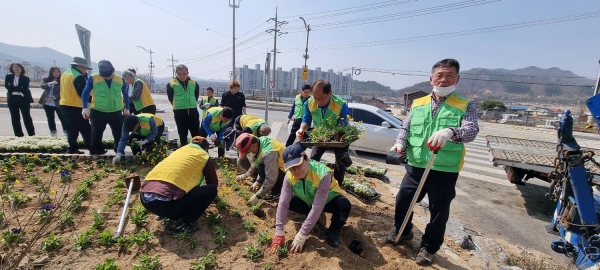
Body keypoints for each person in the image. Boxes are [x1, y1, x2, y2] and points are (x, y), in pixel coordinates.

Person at [386, 59, 479, 266]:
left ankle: (428, 247)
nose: (444, 79)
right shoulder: (417, 104)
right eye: (439, 75)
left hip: (444, 169)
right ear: (431, 79)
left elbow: (471, 130)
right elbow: (405, 129)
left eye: (449, 75)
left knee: (438, 212)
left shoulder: (466, 104)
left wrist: (451, 132)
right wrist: (399, 144)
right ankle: (404, 231)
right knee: (403, 201)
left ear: (457, 78)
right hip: (416, 165)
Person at [269, 143, 352, 253]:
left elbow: (318, 206)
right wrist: (279, 231)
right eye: (292, 168)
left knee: (344, 205)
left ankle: (333, 231)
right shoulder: (289, 176)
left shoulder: (323, 174)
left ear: (306, 158)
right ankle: (311, 217)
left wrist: (302, 233)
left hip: (327, 202)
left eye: (298, 165)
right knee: (288, 201)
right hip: (307, 201)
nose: (296, 170)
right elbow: (283, 202)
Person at [139, 136, 218, 234]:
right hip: (164, 204)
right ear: (205, 148)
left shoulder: (179, 152)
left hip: (145, 198)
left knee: (181, 186)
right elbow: (213, 183)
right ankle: (178, 223)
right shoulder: (204, 156)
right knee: (211, 190)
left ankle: (165, 212)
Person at [295, 80, 350, 185]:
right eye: (315, 98)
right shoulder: (310, 103)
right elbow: (306, 120)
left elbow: (343, 125)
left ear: (330, 93)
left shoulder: (340, 105)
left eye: (321, 98)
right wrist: (301, 129)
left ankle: (337, 186)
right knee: (314, 159)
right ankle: (313, 182)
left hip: (338, 136)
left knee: (340, 163)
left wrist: (336, 137)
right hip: (320, 134)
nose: (318, 101)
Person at [81, 60, 129, 156]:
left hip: (115, 111)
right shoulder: (94, 78)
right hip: (98, 111)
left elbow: (125, 94)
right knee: (96, 133)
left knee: (118, 133)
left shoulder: (120, 79)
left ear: (113, 70)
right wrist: (85, 107)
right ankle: (96, 151)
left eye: (109, 75)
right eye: (104, 75)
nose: (107, 77)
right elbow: (85, 92)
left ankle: (119, 150)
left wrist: (127, 108)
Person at [235, 133, 285, 203]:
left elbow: (271, 178)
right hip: (279, 169)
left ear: (253, 147)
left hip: (290, 175)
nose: (247, 154)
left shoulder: (268, 154)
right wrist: (258, 181)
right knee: (261, 168)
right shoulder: (260, 141)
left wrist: (258, 196)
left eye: (247, 152)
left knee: (263, 170)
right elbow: (261, 164)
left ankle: (276, 192)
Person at [60, 57, 93, 154]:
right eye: (85, 68)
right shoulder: (78, 76)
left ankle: (72, 148)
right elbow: (83, 94)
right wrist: (92, 100)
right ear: (79, 66)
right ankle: (92, 148)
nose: (85, 70)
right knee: (86, 129)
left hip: (64, 104)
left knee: (71, 129)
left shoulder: (65, 74)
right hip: (76, 106)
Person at [167, 64, 200, 147]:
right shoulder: (171, 84)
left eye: (184, 74)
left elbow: (196, 96)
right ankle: (184, 154)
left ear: (188, 73)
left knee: (196, 135)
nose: (182, 76)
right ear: (176, 74)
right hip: (179, 113)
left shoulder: (194, 84)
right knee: (182, 135)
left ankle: (197, 153)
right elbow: (171, 98)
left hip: (193, 112)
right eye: (179, 74)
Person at [5, 62, 35, 137]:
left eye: (18, 67)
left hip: (23, 99)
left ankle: (31, 134)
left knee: (26, 117)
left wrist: (14, 88)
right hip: (12, 99)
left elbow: (24, 88)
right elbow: (7, 87)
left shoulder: (25, 78)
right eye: (14, 66)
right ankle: (18, 135)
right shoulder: (8, 77)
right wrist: (18, 88)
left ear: (22, 69)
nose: (16, 68)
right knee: (15, 117)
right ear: (12, 68)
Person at [39, 67, 68, 137]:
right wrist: (50, 83)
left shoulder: (61, 80)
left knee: (62, 118)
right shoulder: (46, 79)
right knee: (50, 118)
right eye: (54, 72)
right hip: (47, 102)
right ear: (51, 72)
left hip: (57, 102)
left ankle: (66, 133)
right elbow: (42, 86)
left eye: (58, 72)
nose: (56, 73)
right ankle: (53, 133)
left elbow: (61, 91)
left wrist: (52, 97)